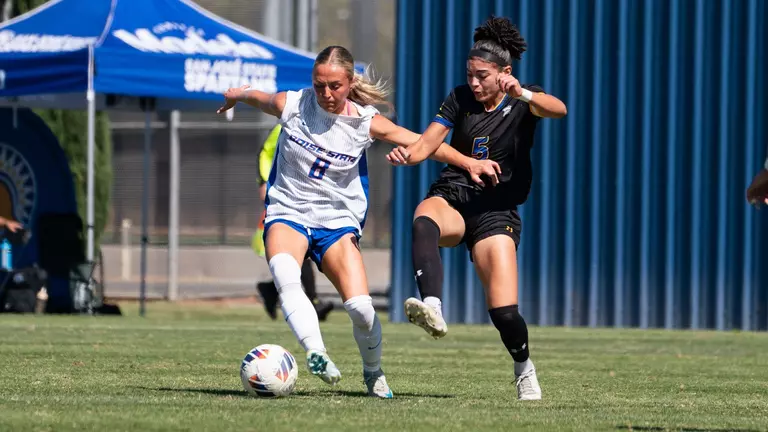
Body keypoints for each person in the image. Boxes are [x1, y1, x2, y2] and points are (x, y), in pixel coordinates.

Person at [217, 45, 498, 398]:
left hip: (336, 221)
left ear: (350, 83)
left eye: (334, 85)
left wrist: (470, 163)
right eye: (319, 85)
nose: (326, 94)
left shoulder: (365, 122)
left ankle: (373, 373)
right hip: (288, 211)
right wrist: (236, 95)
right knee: (288, 279)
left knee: (361, 310)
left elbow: (426, 143)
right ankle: (316, 351)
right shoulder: (292, 105)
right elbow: (258, 97)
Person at [386, 16, 568, 401]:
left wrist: (523, 95)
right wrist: (409, 154)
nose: (473, 83)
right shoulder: (459, 98)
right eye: (470, 74)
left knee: (504, 313)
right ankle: (432, 305)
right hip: (455, 194)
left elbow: (559, 109)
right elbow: (428, 143)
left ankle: (524, 368)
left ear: (504, 73)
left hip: (497, 211)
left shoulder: (522, 100)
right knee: (424, 218)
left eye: (481, 76)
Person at [252, 123, 334, 321]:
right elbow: (265, 152)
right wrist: (263, 181)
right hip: (285, 196)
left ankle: (271, 289)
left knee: (302, 252)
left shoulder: (328, 126)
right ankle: (313, 301)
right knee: (299, 249)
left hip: (311, 198)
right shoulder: (290, 120)